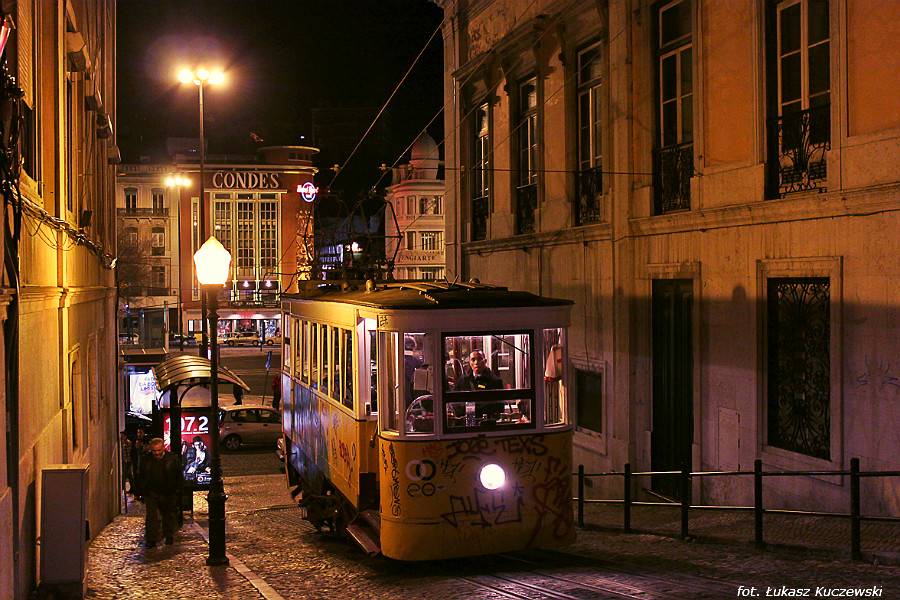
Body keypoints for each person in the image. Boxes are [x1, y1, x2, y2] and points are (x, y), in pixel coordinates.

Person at [137, 437, 182, 548]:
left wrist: (177, 491)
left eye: (158, 450)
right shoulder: (145, 460)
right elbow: (140, 476)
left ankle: (169, 535)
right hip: (151, 492)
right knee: (151, 516)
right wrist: (142, 491)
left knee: (168, 514)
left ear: (163, 449)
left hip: (168, 491)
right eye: (154, 451)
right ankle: (151, 539)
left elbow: (178, 475)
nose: (156, 453)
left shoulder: (172, 459)